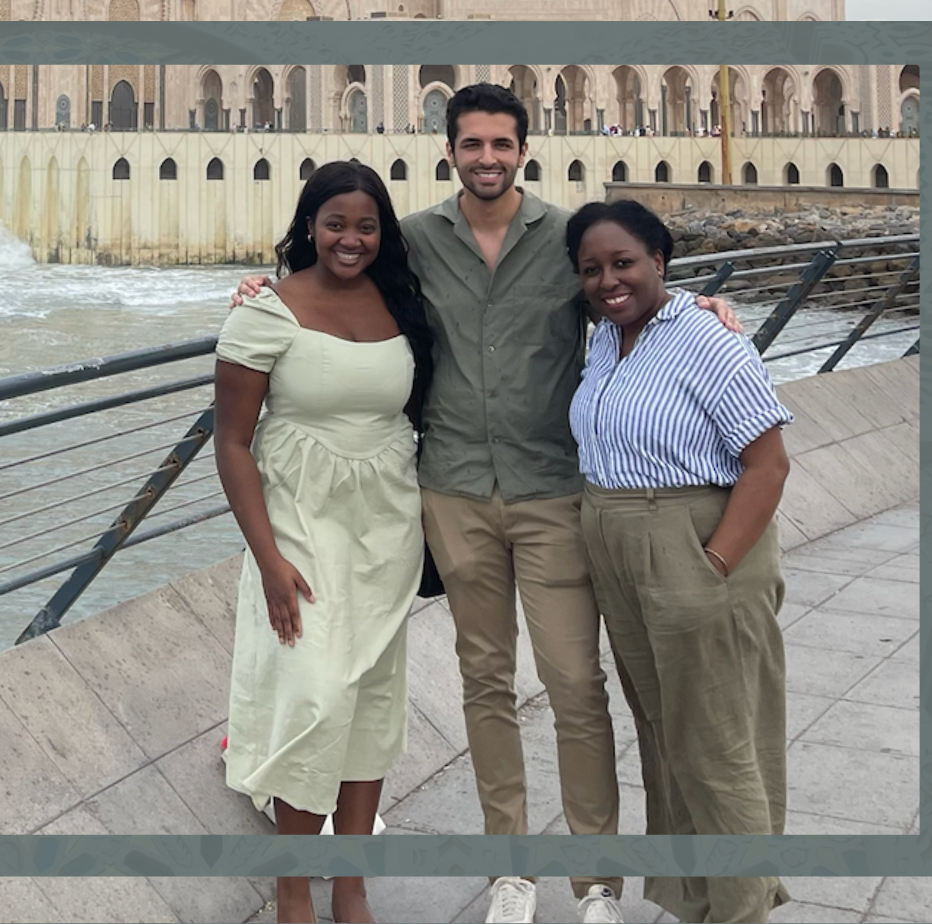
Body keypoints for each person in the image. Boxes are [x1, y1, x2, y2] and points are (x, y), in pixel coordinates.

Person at [234, 82, 741, 924]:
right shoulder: (419, 241)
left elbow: (628, 292)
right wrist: (259, 285)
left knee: (576, 685)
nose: (487, 159)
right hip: (453, 491)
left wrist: (703, 306)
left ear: (524, 150)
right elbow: (334, 277)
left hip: (552, 488)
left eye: (502, 145)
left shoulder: (565, 237)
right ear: (450, 152)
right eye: (472, 145)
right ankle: (512, 871)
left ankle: (595, 883)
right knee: (485, 683)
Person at [215, 159, 435, 924]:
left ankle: (350, 885)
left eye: (366, 225)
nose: (351, 238)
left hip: (387, 526)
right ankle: (293, 891)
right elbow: (233, 442)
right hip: (301, 528)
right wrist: (269, 558)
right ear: (309, 224)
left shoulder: (406, 300)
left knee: (370, 701)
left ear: (384, 231)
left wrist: (698, 305)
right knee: (314, 698)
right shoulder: (264, 313)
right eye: (336, 222)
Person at [565, 199, 794, 924]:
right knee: (665, 735)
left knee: (720, 741)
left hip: (693, 541)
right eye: (592, 269)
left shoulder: (708, 338)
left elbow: (769, 465)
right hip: (618, 546)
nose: (609, 280)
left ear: (660, 261)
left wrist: (713, 565)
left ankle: (742, 906)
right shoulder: (606, 339)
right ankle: (696, 897)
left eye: (624, 262)